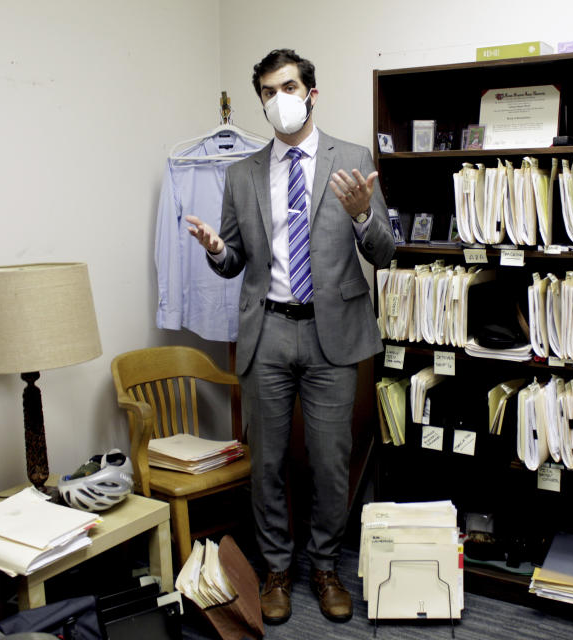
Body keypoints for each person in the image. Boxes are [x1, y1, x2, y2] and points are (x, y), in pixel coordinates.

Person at [185, 49, 394, 624]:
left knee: (331, 462)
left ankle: (323, 566)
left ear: (312, 93)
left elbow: (384, 252)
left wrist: (361, 216)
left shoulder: (352, 158)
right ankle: (277, 568)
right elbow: (234, 262)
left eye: (289, 86)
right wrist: (217, 251)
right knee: (268, 462)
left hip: (334, 338)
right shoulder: (243, 173)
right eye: (268, 91)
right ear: (261, 101)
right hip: (268, 331)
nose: (280, 99)